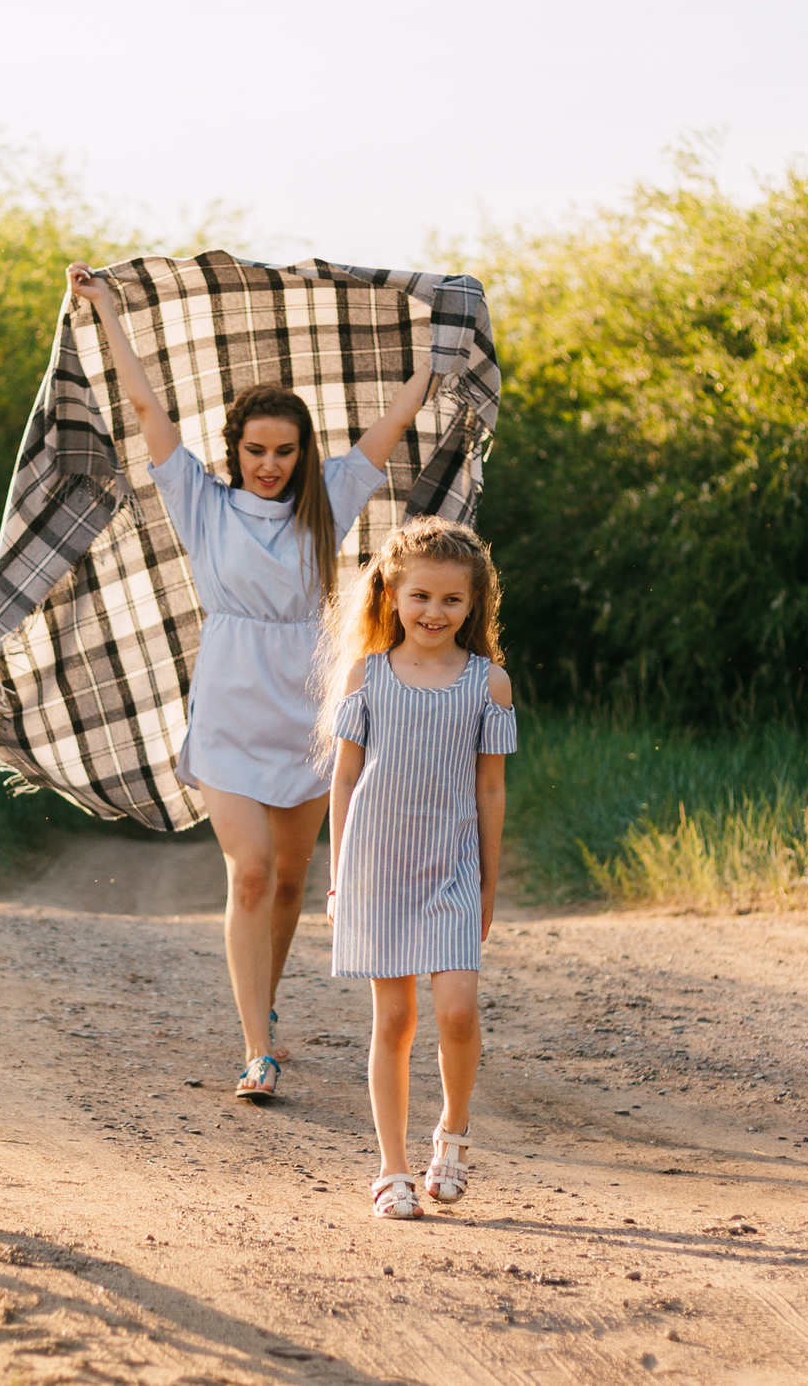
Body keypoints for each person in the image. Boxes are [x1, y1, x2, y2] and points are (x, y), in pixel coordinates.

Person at [66, 262, 434, 1102]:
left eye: (285, 450)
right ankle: (257, 1048)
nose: (270, 464)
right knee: (254, 872)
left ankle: (261, 1010)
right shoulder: (199, 500)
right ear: (235, 449)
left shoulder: (328, 499)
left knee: (296, 879)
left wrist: (433, 361)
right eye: (256, 449)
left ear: (302, 452)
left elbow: (392, 424)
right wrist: (110, 311)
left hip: (307, 708)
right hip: (230, 705)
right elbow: (147, 409)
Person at [318, 518, 516, 1220]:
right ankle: (391, 1167)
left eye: (451, 600)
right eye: (420, 596)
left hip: (453, 866)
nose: (434, 612)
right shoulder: (366, 674)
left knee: (457, 1010)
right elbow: (345, 778)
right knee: (395, 1017)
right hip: (375, 864)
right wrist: (339, 876)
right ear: (392, 595)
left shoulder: (487, 684)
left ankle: (452, 1137)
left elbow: (490, 788)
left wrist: (489, 883)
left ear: (473, 604)